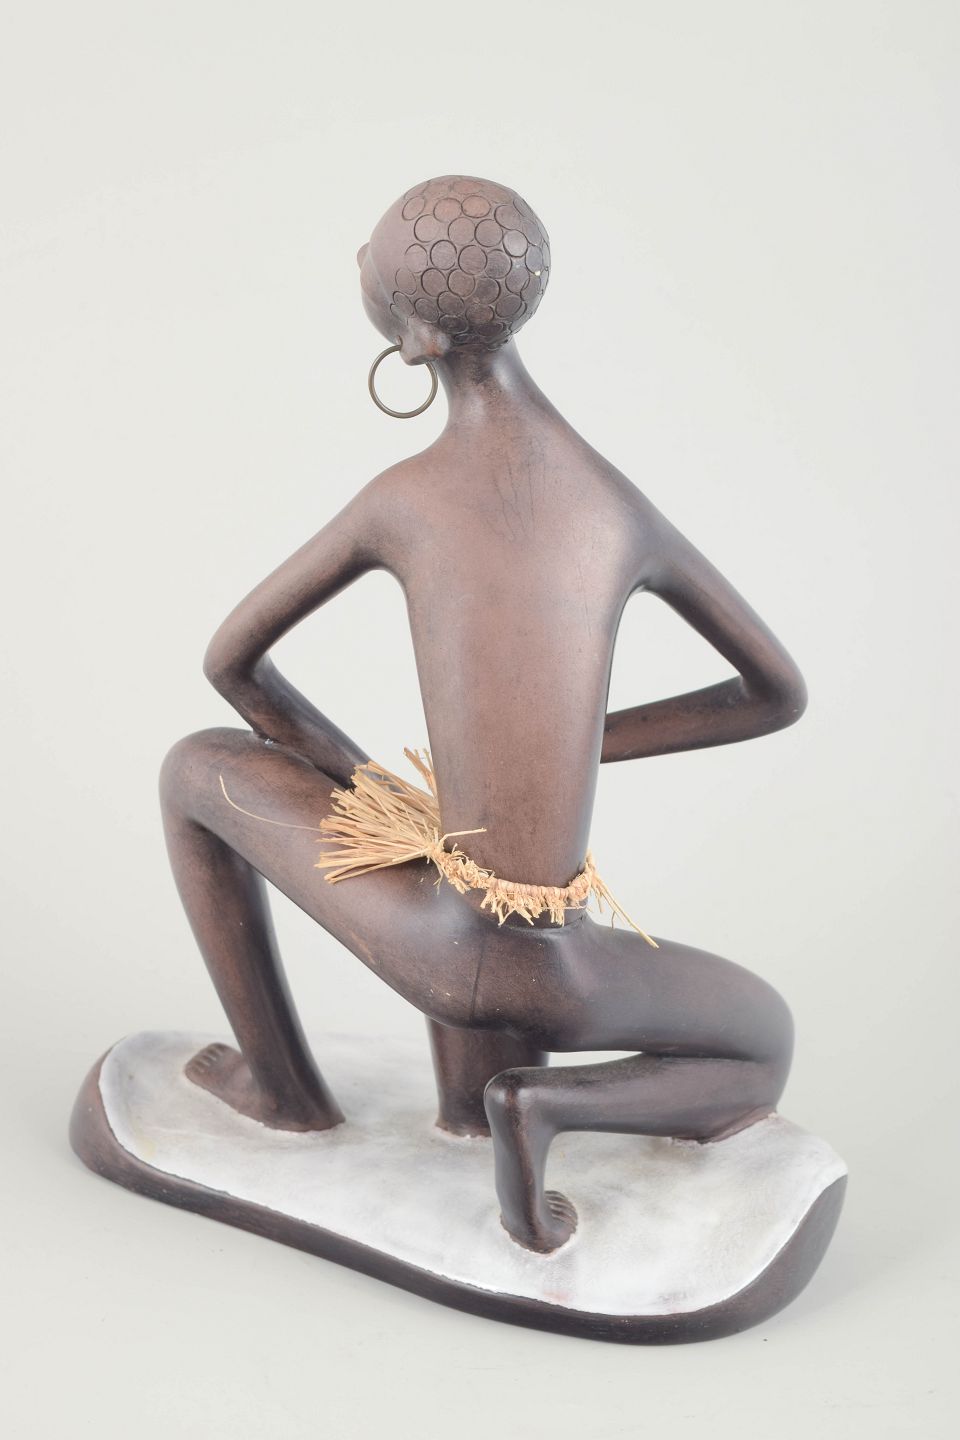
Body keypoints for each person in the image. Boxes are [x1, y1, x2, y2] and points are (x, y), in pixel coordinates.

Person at [160, 175, 802, 1253]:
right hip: (554, 966)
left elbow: (233, 663)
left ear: (415, 343)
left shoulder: (401, 499)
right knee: (763, 1042)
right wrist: (577, 751)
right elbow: (775, 694)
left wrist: (368, 788)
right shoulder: (615, 504)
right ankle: (494, 1106)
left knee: (195, 768)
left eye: (367, 262)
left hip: (441, 939)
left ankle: (293, 1092)